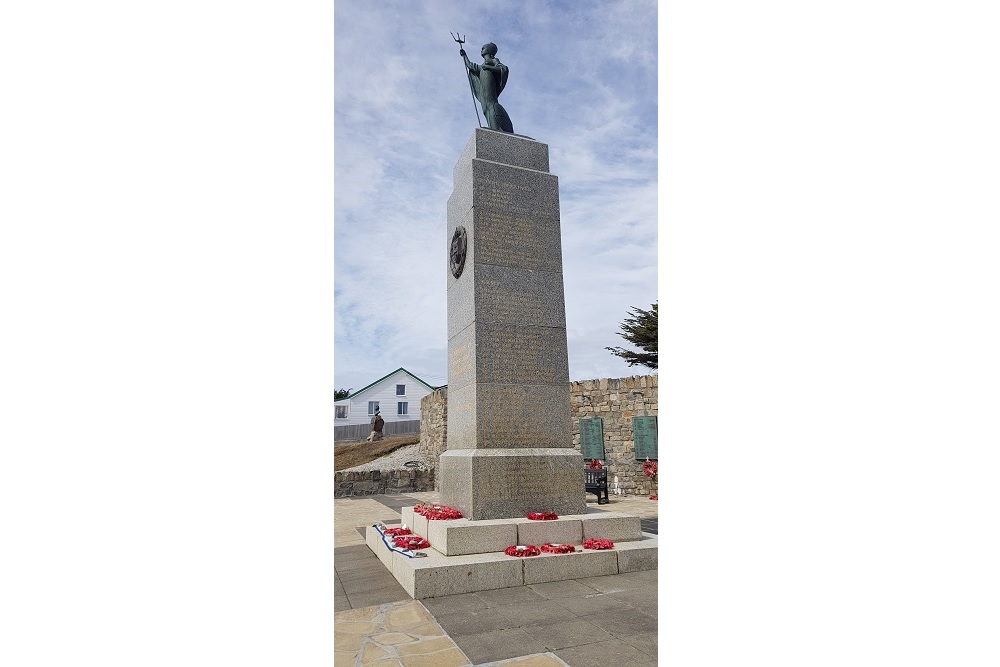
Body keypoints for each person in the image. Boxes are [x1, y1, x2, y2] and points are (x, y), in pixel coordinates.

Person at [460, 42, 514, 133]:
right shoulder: (481, 67)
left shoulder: (494, 60)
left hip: (491, 94)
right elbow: (470, 66)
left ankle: (498, 128)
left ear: (490, 50)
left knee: (491, 105)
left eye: (484, 48)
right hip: (484, 92)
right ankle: (493, 127)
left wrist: (488, 67)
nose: (481, 49)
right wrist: (464, 56)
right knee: (485, 109)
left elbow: (503, 69)